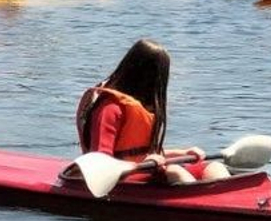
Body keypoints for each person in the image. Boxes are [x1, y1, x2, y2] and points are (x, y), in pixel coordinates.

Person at [76, 39, 231, 186]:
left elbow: (141, 153)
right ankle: (205, 209)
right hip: (118, 180)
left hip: (142, 170)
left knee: (213, 167)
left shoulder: (141, 107)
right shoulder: (110, 109)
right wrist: (144, 164)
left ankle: (229, 202)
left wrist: (183, 153)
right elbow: (100, 164)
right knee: (175, 172)